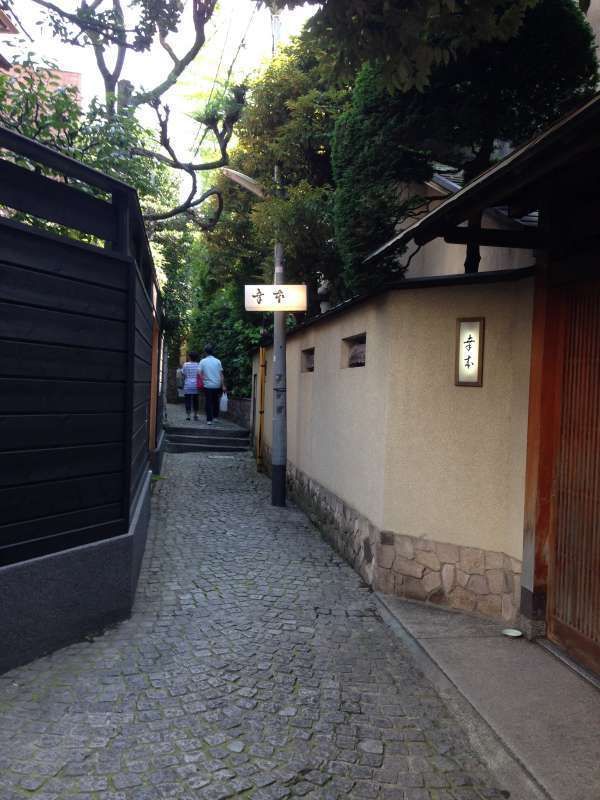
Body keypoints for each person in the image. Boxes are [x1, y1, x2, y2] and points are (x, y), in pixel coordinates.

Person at [199, 344, 226, 425]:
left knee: (208, 402)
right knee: (215, 401)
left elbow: (199, 373)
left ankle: (209, 420)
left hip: (207, 385)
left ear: (205, 352)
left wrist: (203, 379)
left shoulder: (202, 361)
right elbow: (221, 374)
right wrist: (223, 385)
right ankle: (215, 417)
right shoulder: (218, 361)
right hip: (217, 385)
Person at [181, 351, 202, 421]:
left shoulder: (185, 365)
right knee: (196, 400)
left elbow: (183, 374)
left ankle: (188, 415)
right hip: (196, 385)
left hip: (188, 385)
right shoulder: (199, 365)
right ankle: (195, 415)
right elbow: (200, 375)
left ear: (189, 357)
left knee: (188, 400)